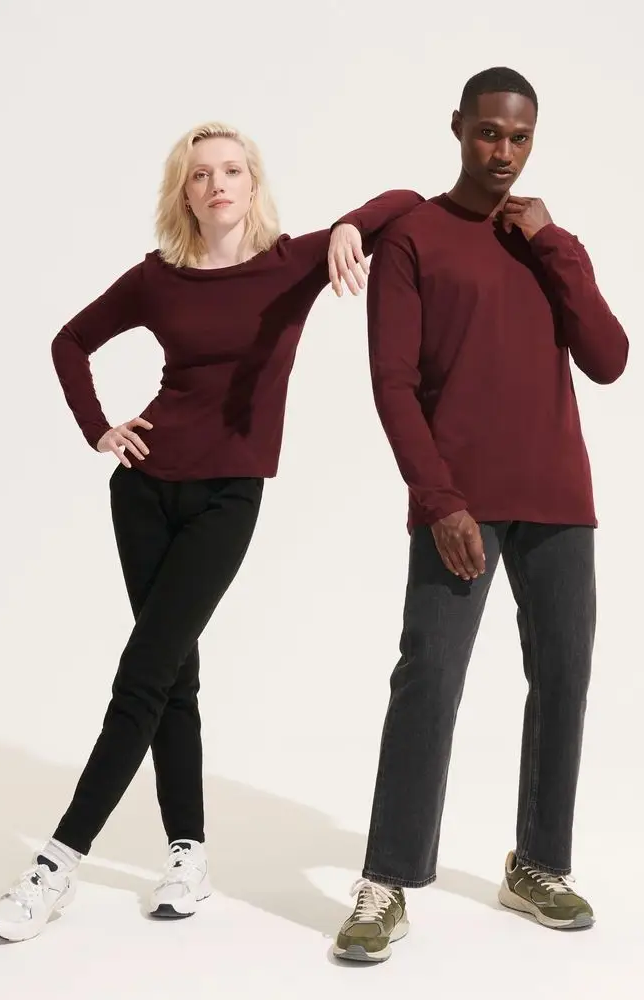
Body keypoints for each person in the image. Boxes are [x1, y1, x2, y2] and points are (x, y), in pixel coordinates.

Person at [0, 122, 423, 943]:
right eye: (199, 175)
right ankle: (188, 852)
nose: (217, 184)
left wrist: (348, 227)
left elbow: (405, 201)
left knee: (142, 674)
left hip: (227, 497)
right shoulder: (158, 278)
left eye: (231, 170)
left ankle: (55, 863)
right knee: (169, 673)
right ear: (182, 192)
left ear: (253, 183)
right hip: (143, 492)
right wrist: (99, 428)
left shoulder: (292, 263)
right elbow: (69, 341)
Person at [333, 67, 629, 963]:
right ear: (458, 127)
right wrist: (439, 500)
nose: (502, 152)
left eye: (519, 137)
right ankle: (386, 881)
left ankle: (537, 864)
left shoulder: (544, 243)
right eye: (488, 132)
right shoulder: (414, 237)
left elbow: (608, 358)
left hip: (557, 498)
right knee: (428, 676)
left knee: (565, 677)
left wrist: (554, 243)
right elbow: (392, 384)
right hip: (457, 502)